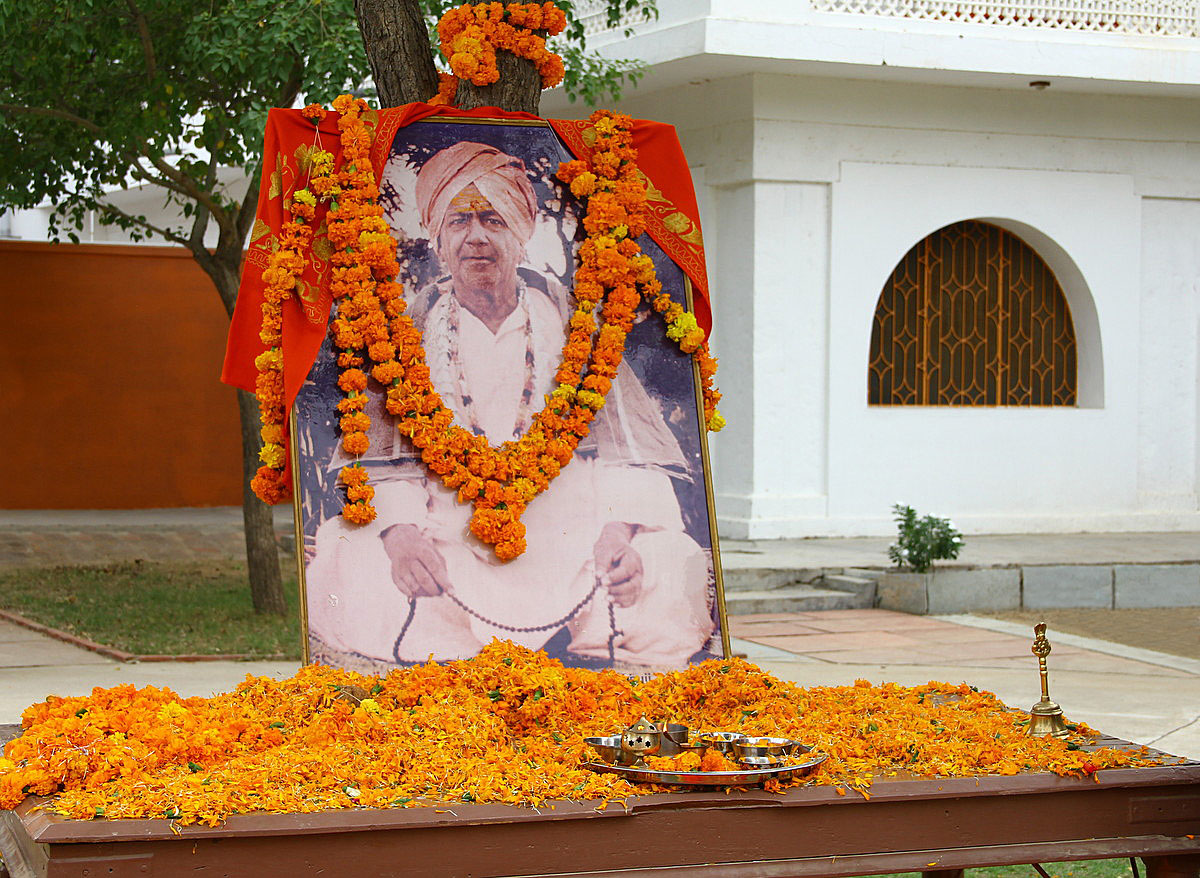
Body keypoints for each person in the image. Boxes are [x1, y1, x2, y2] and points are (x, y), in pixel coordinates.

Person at [306, 140, 713, 670]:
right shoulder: (406, 334)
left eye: (493, 219)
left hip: (572, 529)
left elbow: (625, 451)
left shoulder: (573, 326)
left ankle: (562, 627)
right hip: (448, 528)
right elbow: (385, 462)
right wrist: (401, 535)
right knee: (353, 557)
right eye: (460, 220)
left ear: (521, 235)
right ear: (439, 241)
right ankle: (526, 640)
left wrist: (618, 534)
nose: (476, 236)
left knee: (668, 560)